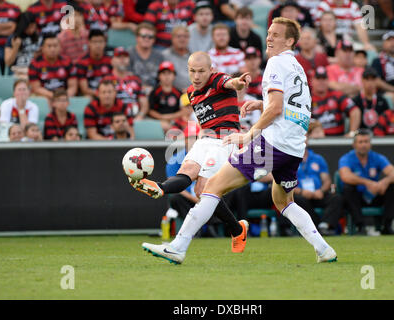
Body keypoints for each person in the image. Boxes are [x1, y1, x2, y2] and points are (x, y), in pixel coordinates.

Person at [140, 18, 337, 264]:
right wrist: (261, 104)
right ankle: (323, 249)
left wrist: (247, 134)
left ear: (289, 41)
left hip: (272, 144)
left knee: (211, 187)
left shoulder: (275, 62)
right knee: (283, 201)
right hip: (294, 147)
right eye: (268, 33)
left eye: (276, 35)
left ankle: (178, 247)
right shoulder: (297, 67)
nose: (269, 38)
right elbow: (296, 107)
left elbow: (275, 109)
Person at [129, 51, 253, 259]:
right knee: (190, 177)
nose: (196, 76)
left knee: (205, 189)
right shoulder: (191, 94)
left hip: (225, 140)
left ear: (210, 70)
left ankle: (179, 244)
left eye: (201, 71)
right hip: (205, 139)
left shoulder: (217, 79)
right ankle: (160, 188)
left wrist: (239, 83)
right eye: (192, 71)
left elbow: (232, 84)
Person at [339, 129, 394, 235]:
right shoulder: (346, 158)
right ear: (354, 144)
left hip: (374, 195)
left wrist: (384, 182)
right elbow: (345, 176)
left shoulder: (377, 157)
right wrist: (367, 183)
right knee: (347, 188)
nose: (363, 145)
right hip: (357, 197)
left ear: (370, 144)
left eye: (366, 142)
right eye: (360, 142)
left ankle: (387, 226)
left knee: (393, 186)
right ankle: (360, 227)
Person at [294, 123, 344, 236]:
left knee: (336, 198)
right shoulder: (289, 158)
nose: (303, 139)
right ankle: (317, 225)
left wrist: (321, 191)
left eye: (305, 136)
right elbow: (284, 183)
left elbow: (326, 180)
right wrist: (302, 192)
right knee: (297, 201)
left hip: (317, 194)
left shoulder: (318, 158)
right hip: (300, 194)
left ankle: (324, 225)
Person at [310, 66, 360, 136]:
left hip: (338, 140)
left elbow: (355, 111)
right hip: (316, 141)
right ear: (312, 81)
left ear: (328, 80)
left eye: (324, 78)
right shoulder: (307, 99)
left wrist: (352, 133)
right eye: (318, 79)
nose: (321, 82)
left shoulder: (337, 95)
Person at [103, 47, 149, 120]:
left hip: (136, 117)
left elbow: (144, 102)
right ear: (112, 61)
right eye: (119, 57)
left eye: (125, 57)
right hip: (115, 119)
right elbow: (104, 103)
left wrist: (140, 116)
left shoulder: (136, 79)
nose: (122, 59)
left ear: (128, 60)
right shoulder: (107, 80)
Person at [28, 33, 78, 99]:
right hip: (45, 97)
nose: (52, 49)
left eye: (55, 46)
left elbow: (73, 87)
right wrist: (55, 97)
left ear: (60, 47)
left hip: (64, 97)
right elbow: (36, 88)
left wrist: (64, 97)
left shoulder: (67, 62)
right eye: (49, 46)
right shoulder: (35, 64)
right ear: (42, 48)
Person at [147, 61, 189, 132]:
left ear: (174, 76)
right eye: (163, 73)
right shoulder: (154, 92)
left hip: (175, 120)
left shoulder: (179, 93)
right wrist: (162, 117)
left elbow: (184, 110)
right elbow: (150, 111)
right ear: (159, 76)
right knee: (165, 126)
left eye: (169, 73)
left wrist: (168, 117)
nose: (166, 76)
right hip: (158, 121)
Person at [128, 22, 165, 95]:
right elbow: (126, 76)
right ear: (137, 37)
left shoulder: (159, 56)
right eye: (143, 36)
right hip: (133, 91)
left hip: (155, 93)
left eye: (150, 37)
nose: (147, 39)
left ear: (154, 39)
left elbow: (162, 78)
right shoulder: (129, 54)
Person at [351, 67, 391, 132]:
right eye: (367, 79)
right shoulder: (355, 100)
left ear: (377, 81)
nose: (370, 82)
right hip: (360, 136)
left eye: (373, 79)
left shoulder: (382, 100)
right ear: (362, 80)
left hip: (378, 136)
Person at [76, 29, 112, 97]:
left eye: (100, 42)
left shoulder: (110, 60)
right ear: (89, 43)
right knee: (87, 97)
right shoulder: (82, 62)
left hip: (107, 93)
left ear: (105, 43)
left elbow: (114, 82)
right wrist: (100, 94)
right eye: (95, 42)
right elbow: (84, 89)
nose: (98, 45)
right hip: (92, 94)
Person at [4, 12, 41, 78]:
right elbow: (8, 63)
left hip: (35, 69)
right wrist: (15, 48)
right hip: (18, 70)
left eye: (33, 26)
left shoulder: (39, 37)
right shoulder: (13, 38)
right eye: (29, 27)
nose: (31, 30)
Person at [162, 25, 191, 92]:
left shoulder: (193, 57)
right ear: (172, 38)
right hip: (172, 94)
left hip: (192, 93)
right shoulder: (165, 55)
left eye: (185, 36)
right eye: (179, 36)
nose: (182, 39)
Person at [0, 0, 21, 73]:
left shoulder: (15, 8)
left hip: (11, 45)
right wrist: (9, 25)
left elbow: (16, 28)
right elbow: (12, 27)